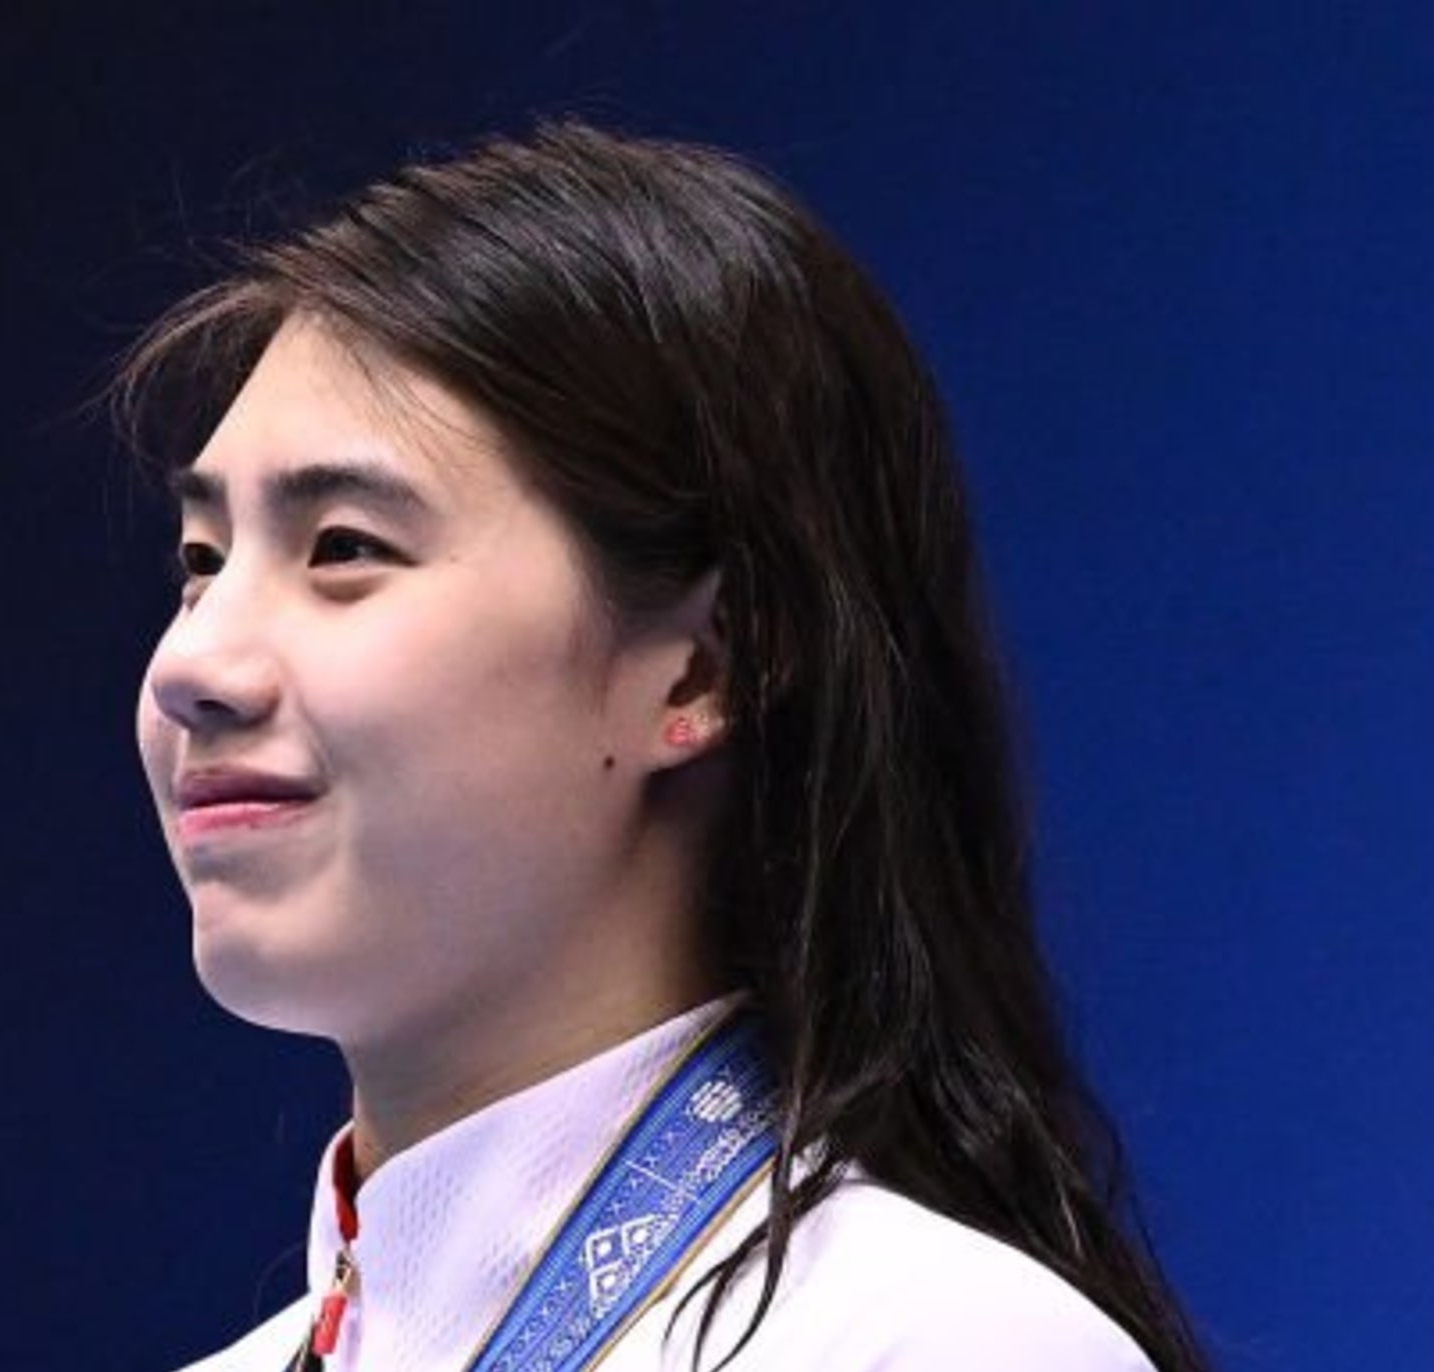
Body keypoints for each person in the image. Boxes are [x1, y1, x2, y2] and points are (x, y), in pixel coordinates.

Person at [117, 122, 1211, 1371]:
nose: (189, 666)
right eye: (201, 561)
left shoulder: (940, 1344)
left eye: (345, 548)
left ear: (700, 668)